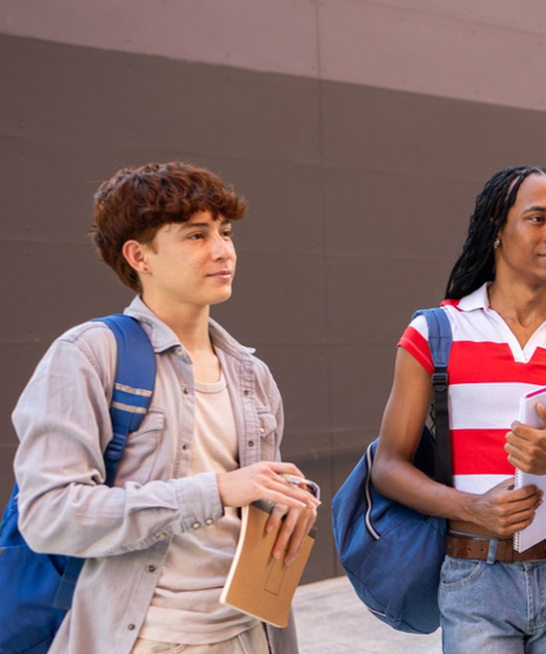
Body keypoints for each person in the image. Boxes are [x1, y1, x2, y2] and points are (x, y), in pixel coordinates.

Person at [11, 162, 319, 654]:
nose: (222, 250)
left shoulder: (251, 373)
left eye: (224, 232)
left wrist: (286, 501)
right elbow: (50, 515)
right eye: (196, 235)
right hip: (144, 638)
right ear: (139, 256)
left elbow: (249, 502)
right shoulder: (90, 355)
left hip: (249, 634)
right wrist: (216, 490)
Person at [371, 165, 546, 653]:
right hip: (475, 577)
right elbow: (387, 468)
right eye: (538, 218)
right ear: (496, 228)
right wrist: (471, 508)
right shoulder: (435, 333)